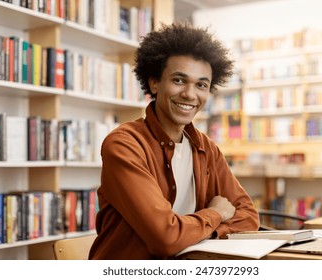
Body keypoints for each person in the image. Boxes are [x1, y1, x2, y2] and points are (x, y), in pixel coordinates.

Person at [89, 22, 259, 260]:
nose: (190, 94)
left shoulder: (206, 148)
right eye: (179, 80)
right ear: (154, 83)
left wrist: (201, 231)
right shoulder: (124, 144)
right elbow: (165, 238)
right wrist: (216, 214)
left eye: (201, 85)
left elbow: (248, 217)